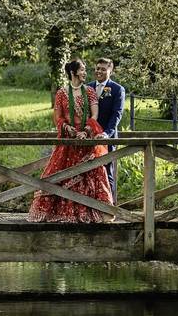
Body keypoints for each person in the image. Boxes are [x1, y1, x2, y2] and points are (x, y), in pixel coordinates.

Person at [28, 58, 114, 223]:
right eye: (82, 70)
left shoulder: (89, 91)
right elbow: (58, 118)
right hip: (68, 141)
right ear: (73, 73)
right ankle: (64, 214)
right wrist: (67, 128)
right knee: (60, 175)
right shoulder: (61, 93)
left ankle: (97, 212)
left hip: (86, 141)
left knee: (93, 172)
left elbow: (94, 115)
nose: (85, 73)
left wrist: (86, 130)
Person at [88, 58, 125, 203]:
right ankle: (91, 206)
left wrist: (106, 134)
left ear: (111, 71)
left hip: (106, 137)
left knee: (107, 171)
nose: (99, 71)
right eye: (97, 68)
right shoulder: (88, 88)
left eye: (103, 69)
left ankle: (110, 208)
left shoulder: (117, 89)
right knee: (88, 171)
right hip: (90, 136)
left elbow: (117, 114)